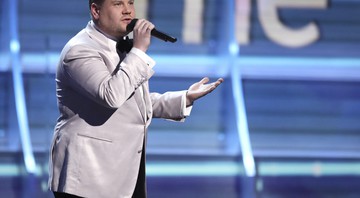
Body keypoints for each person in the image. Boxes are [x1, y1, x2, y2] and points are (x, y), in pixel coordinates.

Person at [48, 0, 223, 197]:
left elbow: (131, 102)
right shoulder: (79, 51)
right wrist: (138, 51)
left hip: (124, 172)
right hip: (89, 177)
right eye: (117, 4)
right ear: (96, 10)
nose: (128, 10)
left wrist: (185, 97)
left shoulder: (121, 49)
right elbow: (112, 95)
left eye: (131, 2)